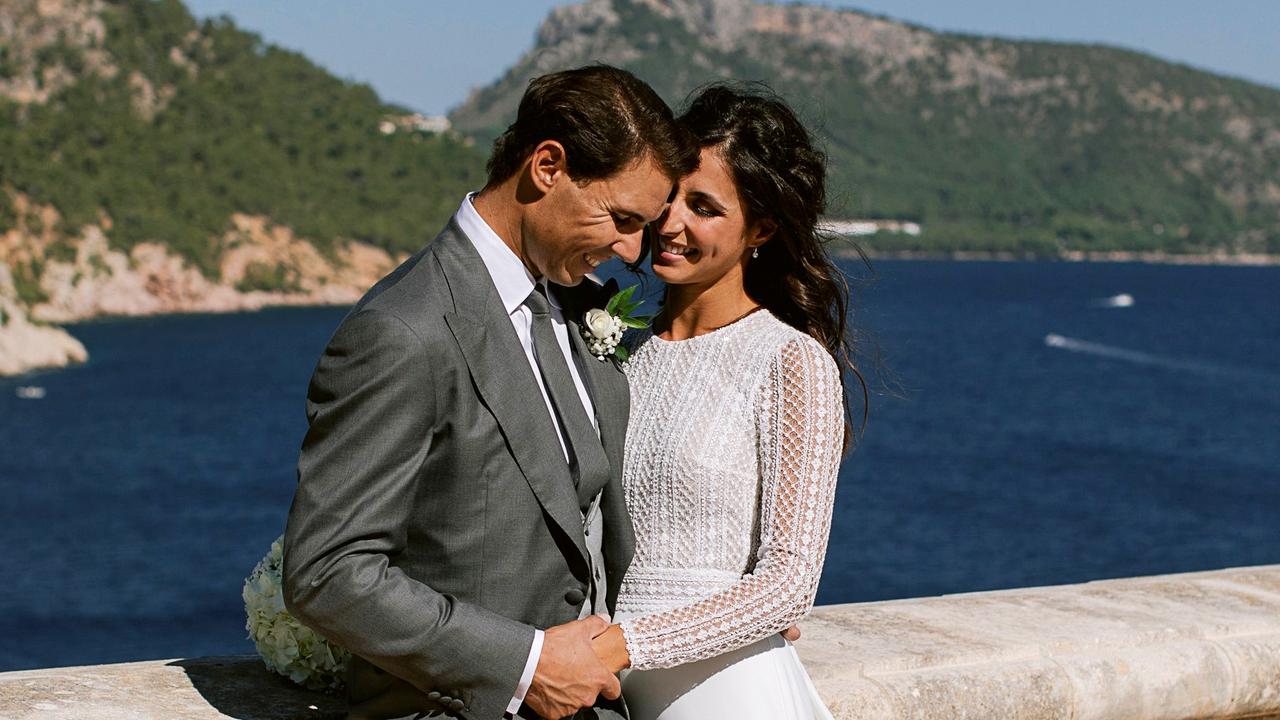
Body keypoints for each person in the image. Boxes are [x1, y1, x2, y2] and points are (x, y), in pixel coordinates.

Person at [280, 65, 696, 720]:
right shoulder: (405, 330)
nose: (631, 249)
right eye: (620, 218)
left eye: (643, 225)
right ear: (548, 166)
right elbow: (328, 572)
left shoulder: (584, 306)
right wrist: (526, 664)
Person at [588, 84, 857, 719]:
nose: (671, 223)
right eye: (669, 196)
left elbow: (788, 588)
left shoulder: (789, 362)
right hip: (609, 687)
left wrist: (627, 644)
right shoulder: (614, 345)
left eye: (704, 207)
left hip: (726, 693)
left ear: (759, 228)